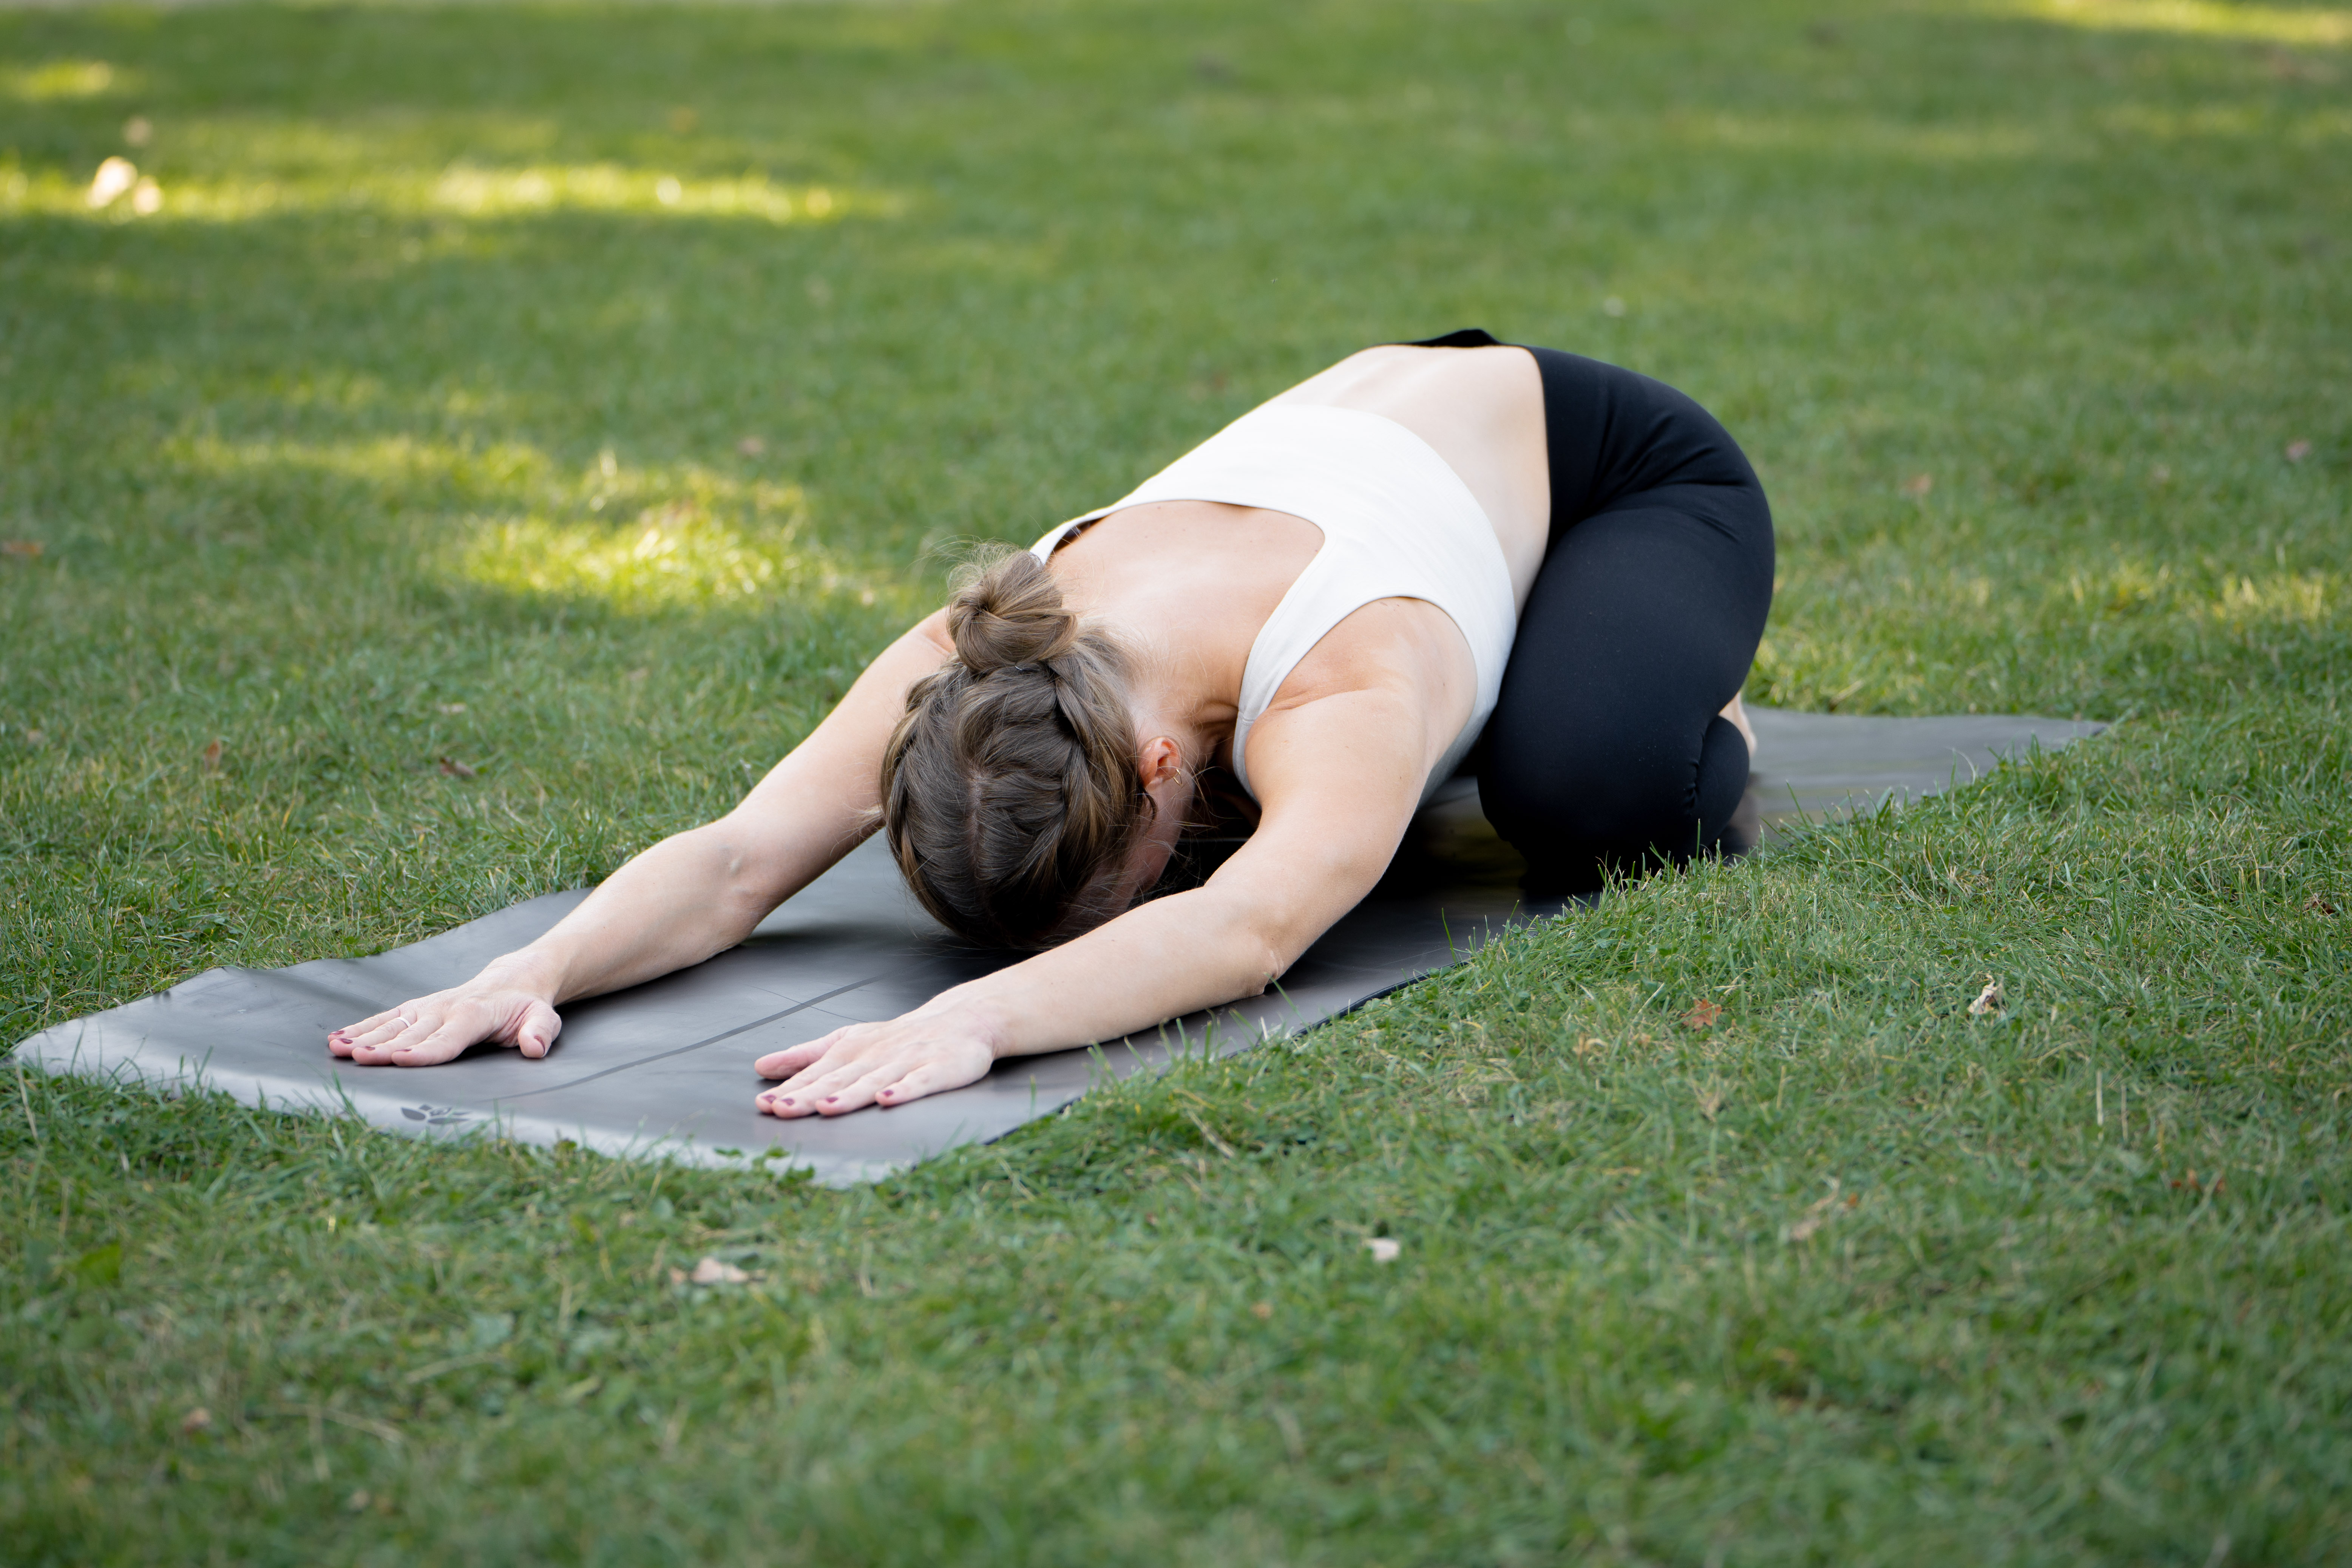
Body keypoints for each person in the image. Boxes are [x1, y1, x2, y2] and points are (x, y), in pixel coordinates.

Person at [327, 331, 1773, 1118]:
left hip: (1618, 472)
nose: (1073, 941)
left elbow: (1251, 930)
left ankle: (1667, 687)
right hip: (1396, 419)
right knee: (1335, 832)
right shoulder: (981, 662)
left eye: (1100, 897)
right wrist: (537, 966)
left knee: (1581, 799)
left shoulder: (1340, 679)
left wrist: (977, 1019)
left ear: (1156, 767)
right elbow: (734, 861)